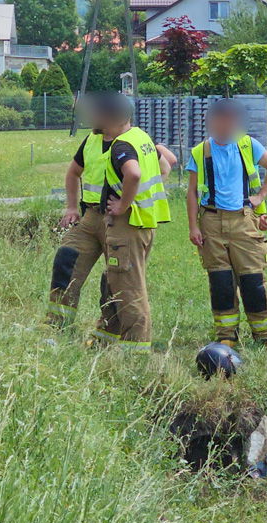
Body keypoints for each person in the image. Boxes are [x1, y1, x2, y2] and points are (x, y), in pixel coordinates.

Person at [47, 93, 176, 328]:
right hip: (91, 218)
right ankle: (56, 325)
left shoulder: (133, 141)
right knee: (66, 260)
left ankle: (106, 336)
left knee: (115, 281)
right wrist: (71, 207)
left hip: (120, 220)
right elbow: (73, 172)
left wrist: (129, 201)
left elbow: (166, 165)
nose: (91, 118)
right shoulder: (92, 140)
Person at [186, 98, 267, 352]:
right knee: (220, 281)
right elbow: (192, 192)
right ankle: (226, 335)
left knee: (252, 278)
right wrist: (193, 227)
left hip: (243, 220)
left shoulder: (247, 144)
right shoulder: (200, 151)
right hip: (211, 221)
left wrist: (260, 197)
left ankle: (266, 336)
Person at [95, 93, 172, 352]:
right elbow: (166, 167)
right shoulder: (141, 137)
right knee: (115, 283)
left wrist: (123, 205)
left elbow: (134, 174)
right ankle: (104, 340)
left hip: (128, 225)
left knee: (129, 289)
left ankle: (135, 353)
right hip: (143, 223)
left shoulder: (121, 146)